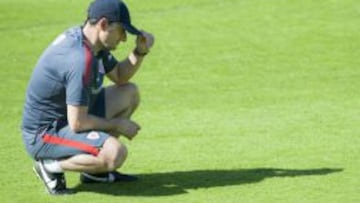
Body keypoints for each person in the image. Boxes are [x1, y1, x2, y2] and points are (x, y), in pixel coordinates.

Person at [21, 0, 154, 195]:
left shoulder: (91, 42)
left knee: (128, 93)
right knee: (115, 153)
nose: (124, 38)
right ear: (103, 24)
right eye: (121, 30)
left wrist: (140, 51)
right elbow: (78, 123)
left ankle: (95, 174)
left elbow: (119, 76)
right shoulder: (79, 59)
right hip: (45, 135)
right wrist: (117, 124)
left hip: (67, 119)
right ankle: (50, 166)